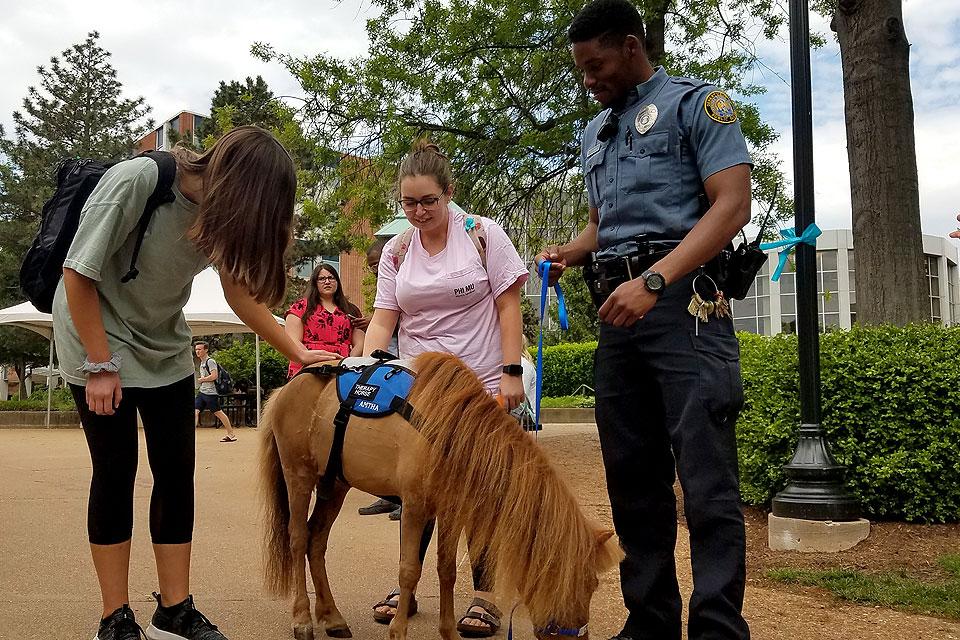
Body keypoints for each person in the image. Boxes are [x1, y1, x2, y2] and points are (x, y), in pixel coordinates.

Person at [53, 126, 337, 640]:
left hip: (163, 344)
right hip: (95, 336)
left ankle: (174, 608)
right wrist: (99, 365)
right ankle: (114, 618)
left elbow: (239, 294)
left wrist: (297, 351)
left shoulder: (219, 215)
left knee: (176, 472)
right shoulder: (141, 180)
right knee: (116, 473)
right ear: (243, 187)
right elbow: (77, 273)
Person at [536, 2, 753, 639]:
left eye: (596, 65)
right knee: (633, 478)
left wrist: (655, 281)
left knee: (706, 477)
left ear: (631, 47)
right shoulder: (596, 132)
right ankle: (650, 622)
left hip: (685, 305)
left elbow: (732, 205)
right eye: (580, 69)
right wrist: (575, 250)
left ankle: (716, 627)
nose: (587, 79)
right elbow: (604, 223)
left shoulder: (698, 105)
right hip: (619, 311)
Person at [363, 139, 529, 637]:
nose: (418, 212)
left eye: (428, 201)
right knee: (416, 487)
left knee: (482, 487)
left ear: (449, 194)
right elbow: (383, 318)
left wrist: (511, 370)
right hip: (419, 388)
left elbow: (508, 305)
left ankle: (484, 594)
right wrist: (368, 361)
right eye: (409, 203)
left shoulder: (482, 234)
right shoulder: (395, 251)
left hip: (480, 383)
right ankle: (407, 586)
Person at [358, 239, 403, 520]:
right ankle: (385, 493)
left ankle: (402, 497)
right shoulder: (385, 279)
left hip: (403, 352)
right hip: (387, 353)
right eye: (372, 267)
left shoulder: (405, 271)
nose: (375, 270)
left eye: (376, 265)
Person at [285, 262, 364, 378]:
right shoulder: (300, 307)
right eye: (321, 279)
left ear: (337, 282)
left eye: (331, 278)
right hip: (308, 366)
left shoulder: (351, 310)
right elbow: (292, 340)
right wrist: (306, 357)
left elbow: (360, 342)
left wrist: (348, 361)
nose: (327, 282)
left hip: (342, 367)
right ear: (314, 283)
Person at [193, 341, 237, 442]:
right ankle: (191, 435)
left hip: (211, 393)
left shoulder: (210, 361)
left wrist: (202, 379)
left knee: (218, 413)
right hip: (202, 392)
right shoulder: (202, 362)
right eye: (196, 349)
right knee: (195, 411)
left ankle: (231, 434)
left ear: (206, 350)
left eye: (199, 349)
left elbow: (214, 376)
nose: (197, 351)